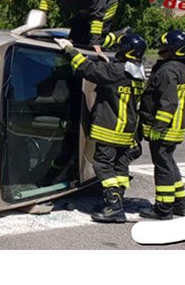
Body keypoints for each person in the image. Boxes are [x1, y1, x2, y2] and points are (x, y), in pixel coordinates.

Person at [56, 32, 147, 223]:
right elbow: (115, 77)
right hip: (127, 132)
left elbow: (85, 67)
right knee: (120, 168)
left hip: (110, 129)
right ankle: (116, 203)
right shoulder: (138, 74)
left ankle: (114, 207)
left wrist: (69, 49)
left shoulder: (115, 72)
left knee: (102, 165)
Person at [138, 30, 185, 220]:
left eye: (164, 47)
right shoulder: (181, 69)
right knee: (169, 163)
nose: (161, 49)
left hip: (165, 129)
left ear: (174, 49)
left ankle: (163, 208)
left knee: (162, 167)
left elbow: (168, 102)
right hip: (175, 127)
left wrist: (158, 126)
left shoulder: (168, 71)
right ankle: (180, 204)